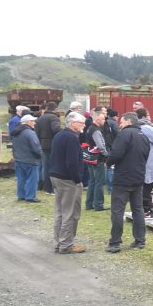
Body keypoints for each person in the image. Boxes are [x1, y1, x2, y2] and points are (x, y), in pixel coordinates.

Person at [105, 112, 149, 253]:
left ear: (129, 121)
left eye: (122, 122)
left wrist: (108, 162)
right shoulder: (144, 136)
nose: (120, 125)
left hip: (123, 178)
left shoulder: (124, 134)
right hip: (138, 177)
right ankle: (140, 240)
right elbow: (146, 155)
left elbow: (116, 153)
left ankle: (115, 242)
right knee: (138, 209)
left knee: (118, 210)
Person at [50, 112, 87, 253]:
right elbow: (71, 162)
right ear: (73, 123)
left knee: (60, 211)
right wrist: (77, 179)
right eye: (81, 123)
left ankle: (60, 242)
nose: (83, 125)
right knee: (70, 213)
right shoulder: (71, 138)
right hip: (67, 179)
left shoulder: (59, 135)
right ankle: (66, 244)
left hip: (56, 176)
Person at [83, 109, 110, 212]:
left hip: (90, 158)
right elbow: (100, 146)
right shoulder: (96, 131)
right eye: (103, 119)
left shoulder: (89, 128)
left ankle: (89, 204)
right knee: (99, 182)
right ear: (98, 120)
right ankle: (98, 204)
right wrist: (107, 155)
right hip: (98, 159)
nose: (104, 121)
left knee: (92, 181)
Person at [11, 114, 42, 202]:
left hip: (18, 159)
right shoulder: (30, 132)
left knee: (21, 178)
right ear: (28, 122)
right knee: (32, 179)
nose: (34, 123)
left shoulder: (16, 131)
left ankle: (21, 195)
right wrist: (40, 155)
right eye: (33, 121)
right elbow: (36, 146)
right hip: (30, 159)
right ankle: (30, 197)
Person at [35, 102, 61, 195]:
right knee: (53, 166)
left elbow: (36, 133)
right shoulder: (54, 118)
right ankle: (51, 188)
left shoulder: (40, 118)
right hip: (52, 144)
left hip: (43, 143)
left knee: (45, 166)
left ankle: (44, 186)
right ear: (55, 108)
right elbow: (56, 130)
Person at [104, 109, 120, 193]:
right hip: (111, 145)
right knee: (110, 167)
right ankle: (111, 188)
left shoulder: (105, 122)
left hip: (105, 145)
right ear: (114, 116)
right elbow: (118, 135)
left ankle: (107, 186)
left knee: (106, 167)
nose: (118, 118)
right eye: (117, 116)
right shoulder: (113, 123)